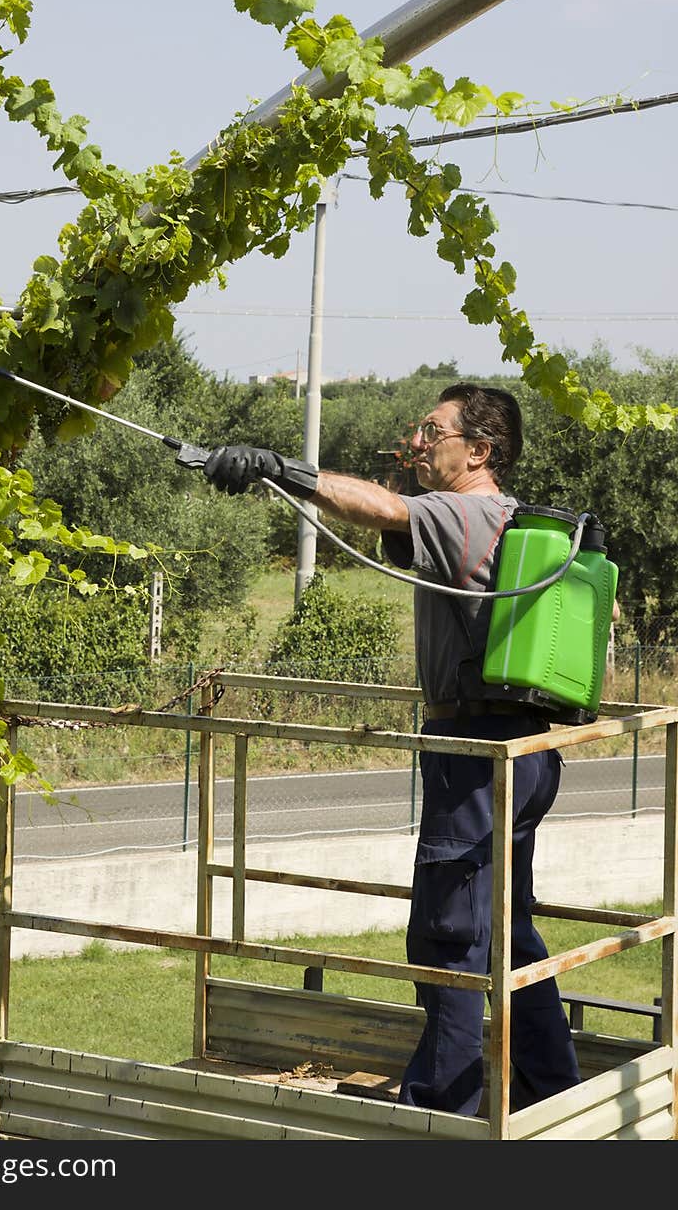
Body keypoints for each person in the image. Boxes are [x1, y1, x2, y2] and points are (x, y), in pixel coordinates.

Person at [201, 383, 581, 1117]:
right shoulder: (508, 522)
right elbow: (391, 518)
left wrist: (278, 468)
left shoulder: (465, 511)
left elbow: (378, 506)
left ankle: (438, 1116)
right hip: (527, 752)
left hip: (477, 752)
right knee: (505, 932)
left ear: (480, 451)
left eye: (430, 430)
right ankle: (553, 1093)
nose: (415, 441)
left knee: (448, 936)